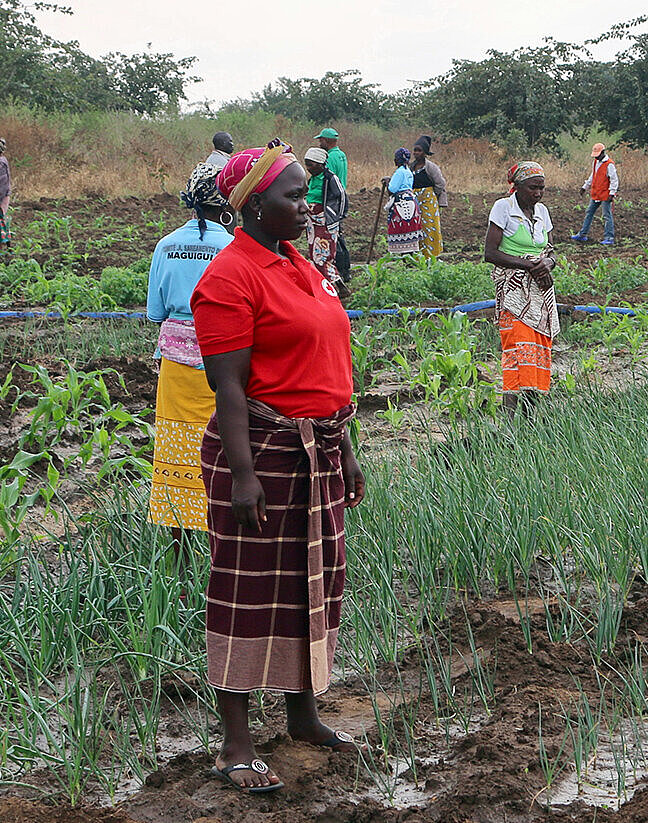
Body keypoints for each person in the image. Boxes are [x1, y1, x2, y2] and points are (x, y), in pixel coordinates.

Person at [193, 145, 364, 793]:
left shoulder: (301, 263)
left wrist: (344, 449)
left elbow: (328, 366)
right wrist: (242, 475)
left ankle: (302, 715)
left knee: (308, 586)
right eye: (293, 196)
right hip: (261, 452)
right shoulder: (230, 278)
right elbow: (228, 388)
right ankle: (235, 744)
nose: (307, 205)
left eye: (307, 194)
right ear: (255, 206)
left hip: (315, 450)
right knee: (249, 593)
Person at [146, 163, 235, 541]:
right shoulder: (231, 247)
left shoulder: (165, 245)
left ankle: (178, 537)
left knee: (176, 443)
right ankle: (221, 529)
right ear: (224, 208)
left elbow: (156, 311)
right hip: (224, 360)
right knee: (222, 442)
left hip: (176, 364)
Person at [484, 162, 560, 410]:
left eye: (542, 188)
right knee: (517, 353)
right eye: (532, 188)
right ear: (516, 187)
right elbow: (490, 253)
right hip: (514, 293)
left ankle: (529, 419)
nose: (537, 193)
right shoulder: (503, 208)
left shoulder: (542, 212)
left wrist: (546, 263)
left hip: (539, 292)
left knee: (537, 352)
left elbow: (551, 251)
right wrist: (528, 265)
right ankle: (511, 419)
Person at [302, 146, 349, 281]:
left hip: (326, 221)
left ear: (320, 164)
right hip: (312, 222)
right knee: (314, 252)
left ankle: (334, 283)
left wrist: (337, 218)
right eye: (306, 164)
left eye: (310, 164)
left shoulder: (330, 178)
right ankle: (322, 282)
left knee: (325, 254)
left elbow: (342, 197)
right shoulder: (312, 180)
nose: (308, 168)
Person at [315, 128, 352, 278]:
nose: (319, 142)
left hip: (331, 199)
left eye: (321, 140)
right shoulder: (341, 155)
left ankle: (341, 270)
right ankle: (345, 269)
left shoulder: (329, 158)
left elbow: (326, 179)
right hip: (340, 196)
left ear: (328, 141)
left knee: (333, 236)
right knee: (338, 233)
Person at [571, 143, 619, 245]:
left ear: (603, 152)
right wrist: (585, 187)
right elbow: (593, 176)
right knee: (589, 212)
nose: (596, 157)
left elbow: (614, 179)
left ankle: (609, 237)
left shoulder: (609, 164)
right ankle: (583, 234)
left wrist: (612, 193)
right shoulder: (596, 162)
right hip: (596, 193)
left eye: (598, 154)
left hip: (605, 194)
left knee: (607, 215)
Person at [408, 135, 447, 258]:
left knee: (430, 228)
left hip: (428, 200)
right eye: (415, 150)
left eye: (419, 150)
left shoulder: (430, 167)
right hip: (415, 201)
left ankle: (432, 256)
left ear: (425, 152)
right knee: (416, 227)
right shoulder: (411, 167)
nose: (416, 153)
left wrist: (430, 194)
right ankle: (418, 256)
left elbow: (440, 183)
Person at [384, 148, 424, 257]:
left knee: (401, 231)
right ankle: (410, 259)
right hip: (411, 201)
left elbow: (392, 189)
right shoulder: (408, 171)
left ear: (398, 160)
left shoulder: (399, 172)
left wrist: (388, 182)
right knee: (410, 231)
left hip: (401, 203)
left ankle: (405, 259)